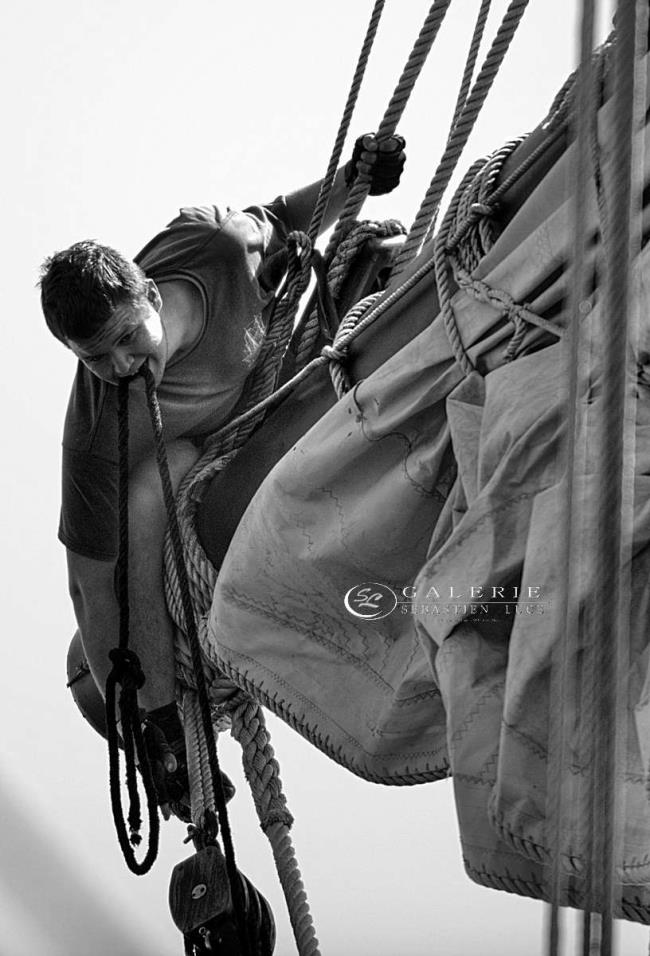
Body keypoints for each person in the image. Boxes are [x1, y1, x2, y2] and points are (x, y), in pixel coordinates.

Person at [41, 134, 406, 816]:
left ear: (149, 293)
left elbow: (286, 216)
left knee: (383, 268)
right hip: (186, 477)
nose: (120, 366)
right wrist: (158, 726)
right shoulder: (98, 436)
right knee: (157, 476)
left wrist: (356, 175)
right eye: (95, 358)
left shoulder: (212, 247)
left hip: (270, 390)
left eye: (127, 338)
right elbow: (89, 587)